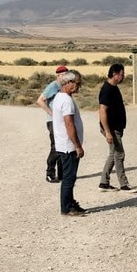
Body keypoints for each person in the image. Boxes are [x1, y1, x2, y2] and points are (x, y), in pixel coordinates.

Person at [52, 70, 87, 216]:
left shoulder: (60, 97)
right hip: (68, 146)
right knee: (68, 178)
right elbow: (69, 125)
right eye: (77, 83)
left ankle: (71, 203)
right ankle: (66, 207)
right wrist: (77, 145)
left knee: (70, 177)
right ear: (68, 83)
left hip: (65, 144)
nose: (78, 86)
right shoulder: (66, 100)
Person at [97, 63, 130, 192]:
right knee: (119, 154)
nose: (123, 77)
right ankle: (124, 184)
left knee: (113, 154)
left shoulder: (114, 87)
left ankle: (104, 183)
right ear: (115, 74)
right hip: (111, 129)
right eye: (122, 74)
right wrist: (107, 132)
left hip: (116, 127)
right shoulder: (107, 89)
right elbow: (102, 111)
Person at [35, 65, 68, 183]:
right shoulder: (53, 86)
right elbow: (40, 100)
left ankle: (61, 174)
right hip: (52, 121)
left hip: (61, 121)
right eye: (63, 75)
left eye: (67, 74)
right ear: (58, 76)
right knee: (56, 146)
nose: (65, 77)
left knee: (62, 146)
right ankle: (50, 173)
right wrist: (52, 113)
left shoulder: (64, 86)